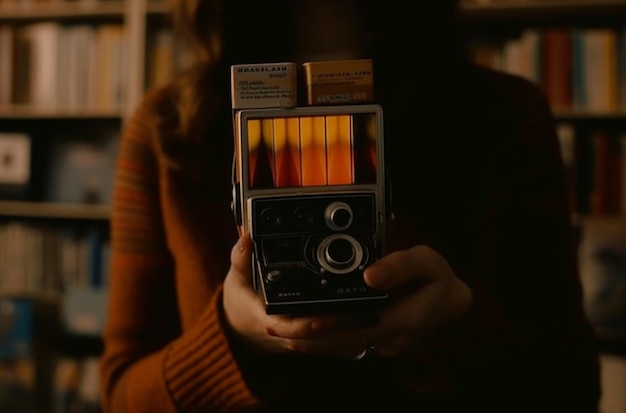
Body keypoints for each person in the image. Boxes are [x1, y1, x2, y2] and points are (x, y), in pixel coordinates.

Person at [99, 0, 601, 412]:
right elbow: (121, 396)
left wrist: (458, 329)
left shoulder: (507, 116)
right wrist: (231, 336)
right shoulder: (164, 129)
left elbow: (570, 386)